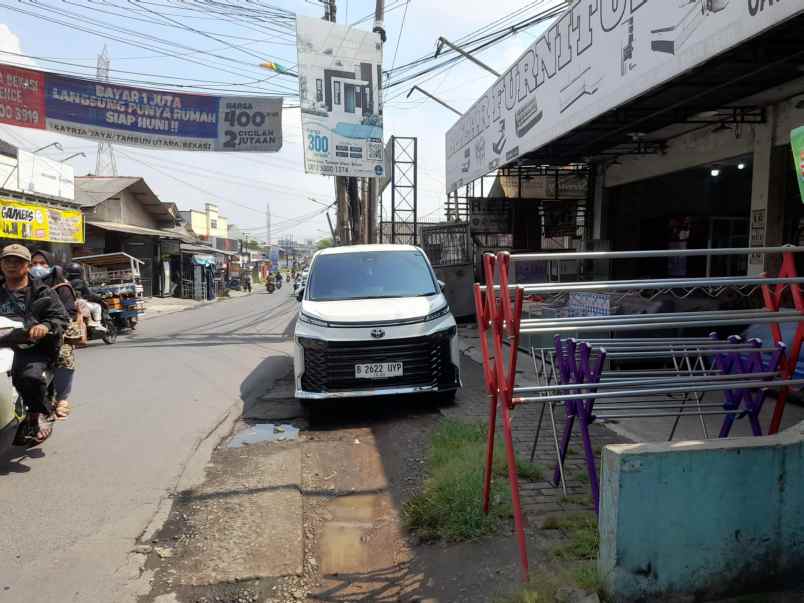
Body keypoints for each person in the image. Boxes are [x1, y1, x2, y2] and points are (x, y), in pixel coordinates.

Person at [0, 244, 69, 444]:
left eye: (17, 261)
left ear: (27, 266)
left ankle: (40, 412)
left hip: (31, 347)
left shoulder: (42, 291)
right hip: (2, 343)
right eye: (7, 261)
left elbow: (61, 317)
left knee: (29, 377)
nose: (11, 265)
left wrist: (45, 326)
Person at [31, 250, 79, 420]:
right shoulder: (23, 284)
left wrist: (48, 325)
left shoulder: (61, 286)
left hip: (55, 332)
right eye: (33, 263)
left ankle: (62, 399)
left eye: (42, 263)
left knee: (64, 355)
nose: (37, 267)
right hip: (24, 333)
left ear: (51, 265)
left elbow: (69, 313)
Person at [65, 262, 106, 332]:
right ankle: (98, 324)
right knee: (97, 306)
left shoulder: (65, 282)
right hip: (79, 304)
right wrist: (98, 298)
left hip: (67, 305)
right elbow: (89, 294)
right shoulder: (80, 282)